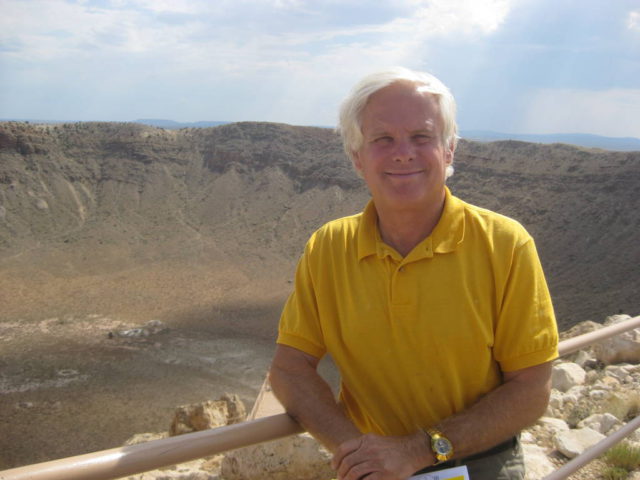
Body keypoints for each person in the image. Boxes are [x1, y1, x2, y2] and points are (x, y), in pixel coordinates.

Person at [269, 67, 559, 480]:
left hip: (479, 463)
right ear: (357, 157)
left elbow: (531, 390)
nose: (402, 152)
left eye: (422, 137)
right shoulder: (328, 247)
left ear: (449, 149)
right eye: (382, 139)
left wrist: (420, 449)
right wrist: (358, 453)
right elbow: (289, 369)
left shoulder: (505, 244)